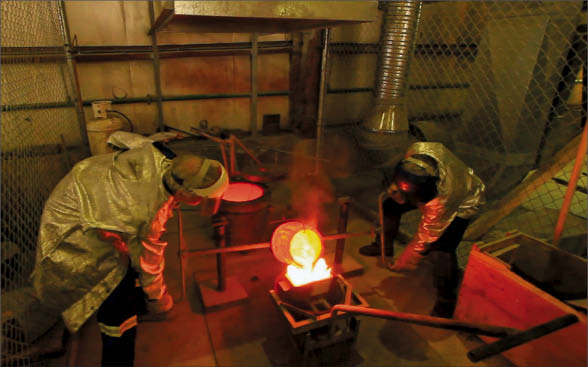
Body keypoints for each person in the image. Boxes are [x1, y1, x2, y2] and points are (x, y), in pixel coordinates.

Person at [32, 139, 228, 367]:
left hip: (85, 193)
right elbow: (148, 263)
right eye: (198, 198)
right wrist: (159, 300)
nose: (198, 203)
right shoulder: (145, 214)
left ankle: (135, 303)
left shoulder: (159, 156)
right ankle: (117, 357)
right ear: (185, 191)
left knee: (128, 264)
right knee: (116, 295)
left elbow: (124, 138)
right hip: (73, 232)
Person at [359, 142, 485, 318]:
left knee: (441, 249)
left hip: (464, 203)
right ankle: (382, 246)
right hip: (424, 190)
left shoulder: (443, 197)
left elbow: (426, 236)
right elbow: (406, 169)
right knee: (389, 205)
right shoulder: (417, 151)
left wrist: (406, 260)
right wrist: (396, 187)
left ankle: (446, 301)